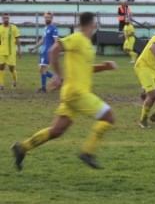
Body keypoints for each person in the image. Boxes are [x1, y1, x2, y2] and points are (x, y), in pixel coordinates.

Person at [11, 12, 117, 171]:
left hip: (73, 94)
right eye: (94, 24)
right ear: (90, 25)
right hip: (76, 92)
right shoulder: (78, 38)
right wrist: (58, 76)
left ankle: (22, 148)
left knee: (56, 131)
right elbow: (54, 49)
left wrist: (104, 67)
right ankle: (87, 152)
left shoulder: (87, 44)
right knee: (108, 116)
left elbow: (86, 68)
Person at [28, 12, 58, 93]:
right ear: (44, 18)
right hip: (43, 51)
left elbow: (56, 42)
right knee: (41, 70)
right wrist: (34, 48)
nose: (47, 19)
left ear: (52, 18)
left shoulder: (53, 28)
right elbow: (43, 40)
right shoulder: (46, 28)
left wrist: (53, 51)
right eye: (46, 17)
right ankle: (56, 77)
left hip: (48, 52)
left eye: (49, 17)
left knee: (42, 69)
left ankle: (43, 89)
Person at [0, 13, 21, 89]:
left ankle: (15, 81)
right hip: (2, 51)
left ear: (9, 19)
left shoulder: (14, 28)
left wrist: (19, 50)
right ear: (2, 19)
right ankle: (1, 84)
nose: (6, 19)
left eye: (7, 18)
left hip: (11, 51)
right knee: (1, 67)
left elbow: (18, 40)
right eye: (4, 18)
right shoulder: (0, 28)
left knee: (11, 68)